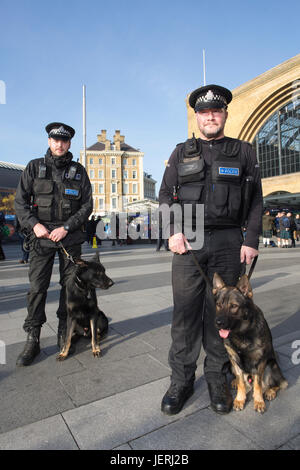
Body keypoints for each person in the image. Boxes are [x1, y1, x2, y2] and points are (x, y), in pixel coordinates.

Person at [159, 84, 263, 415]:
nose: (210, 117)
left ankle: (217, 377)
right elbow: (164, 196)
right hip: (189, 241)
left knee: (222, 316)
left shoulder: (244, 152)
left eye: (216, 111)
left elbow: (257, 200)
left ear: (225, 115)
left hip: (231, 240)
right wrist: (173, 231)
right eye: (204, 112)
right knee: (186, 312)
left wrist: (251, 240)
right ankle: (181, 380)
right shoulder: (180, 152)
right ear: (197, 117)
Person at [14, 122, 93, 366]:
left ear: (69, 143)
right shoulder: (33, 167)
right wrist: (34, 225)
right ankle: (33, 338)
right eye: (55, 140)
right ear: (49, 141)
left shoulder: (79, 171)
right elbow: (20, 202)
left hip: (69, 238)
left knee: (70, 288)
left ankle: (64, 331)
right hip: (40, 238)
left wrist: (66, 227)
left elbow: (87, 205)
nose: (59, 144)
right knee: (37, 289)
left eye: (64, 140)